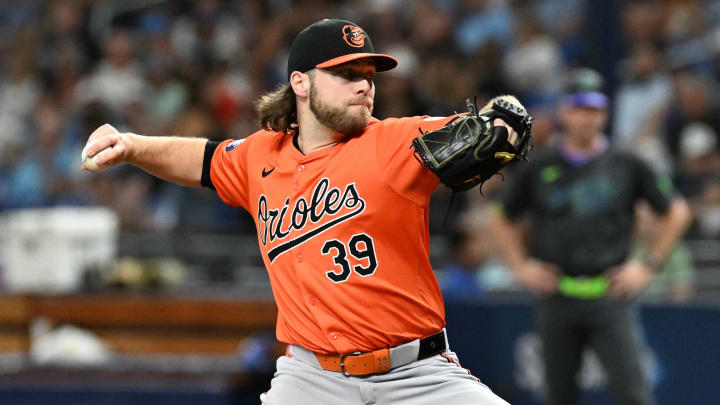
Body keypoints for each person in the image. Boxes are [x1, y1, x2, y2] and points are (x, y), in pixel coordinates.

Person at [81, 19, 518, 405]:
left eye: (369, 76)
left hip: (416, 374)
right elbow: (203, 158)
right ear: (301, 83)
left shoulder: (395, 142)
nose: (365, 86)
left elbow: (497, 122)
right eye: (347, 74)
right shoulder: (260, 155)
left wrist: (503, 121)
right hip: (311, 379)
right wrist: (134, 146)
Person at [487, 68, 692, 405]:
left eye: (595, 109)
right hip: (557, 296)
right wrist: (521, 268)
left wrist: (645, 266)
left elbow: (677, 212)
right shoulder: (541, 166)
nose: (587, 117)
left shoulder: (626, 163)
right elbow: (499, 218)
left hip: (609, 296)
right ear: (564, 112)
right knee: (558, 396)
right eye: (579, 108)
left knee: (633, 395)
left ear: (606, 114)